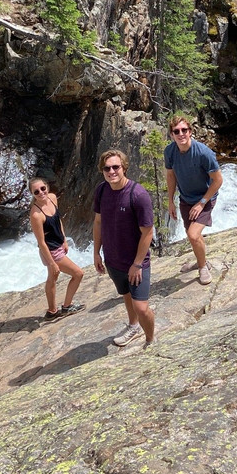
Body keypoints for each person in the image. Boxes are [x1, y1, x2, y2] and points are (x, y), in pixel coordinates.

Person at [92, 149, 156, 348]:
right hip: (113, 259)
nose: (111, 171)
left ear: (124, 168)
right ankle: (133, 326)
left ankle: (151, 339)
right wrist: (96, 252)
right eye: (107, 168)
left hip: (135, 261)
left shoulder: (138, 195)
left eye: (115, 167)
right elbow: (98, 222)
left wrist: (137, 264)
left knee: (141, 307)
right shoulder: (102, 191)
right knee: (126, 295)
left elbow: (147, 232)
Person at [164, 115, 223, 286]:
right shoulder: (170, 152)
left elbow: (218, 180)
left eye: (184, 130)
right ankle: (201, 260)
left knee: (193, 234)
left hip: (206, 197)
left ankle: (203, 267)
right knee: (192, 236)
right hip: (186, 198)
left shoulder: (203, 153)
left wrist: (202, 202)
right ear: (172, 135)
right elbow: (170, 175)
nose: (181, 134)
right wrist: (170, 201)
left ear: (190, 132)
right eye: (177, 131)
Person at [29, 177, 85, 320]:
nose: (41, 193)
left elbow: (58, 219)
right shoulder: (36, 215)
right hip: (51, 251)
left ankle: (52, 311)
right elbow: (41, 242)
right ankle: (66, 307)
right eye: (36, 192)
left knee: (52, 278)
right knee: (78, 274)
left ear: (47, 187)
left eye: (43, 188)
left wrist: (64, 239)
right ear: (32, 194)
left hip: (58, 244)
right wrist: (52, 263)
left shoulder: (53, 198)